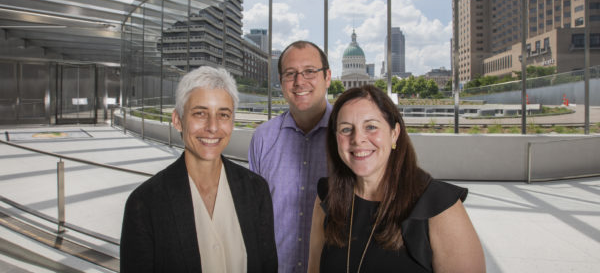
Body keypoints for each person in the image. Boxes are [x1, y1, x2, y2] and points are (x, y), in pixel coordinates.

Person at [308, 85, 485, 273]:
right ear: (335, 138)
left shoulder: (439, 206)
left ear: (395, 133)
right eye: (345, 129)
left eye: (371, 127)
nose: (358, 139)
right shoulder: (327, 196)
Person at [121, 66, 277, 273]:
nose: (213, 127)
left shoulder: (256, 190)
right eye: (200, 113)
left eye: (223, 115)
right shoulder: (145, 203)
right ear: (177, 120)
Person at [249, 40, 332, 272]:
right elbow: (253, 216)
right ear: (281, 82)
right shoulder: (263, 139)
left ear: (327, 77)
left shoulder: (350, 136)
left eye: (309, 71)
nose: (299, 81)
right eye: (290, 74)